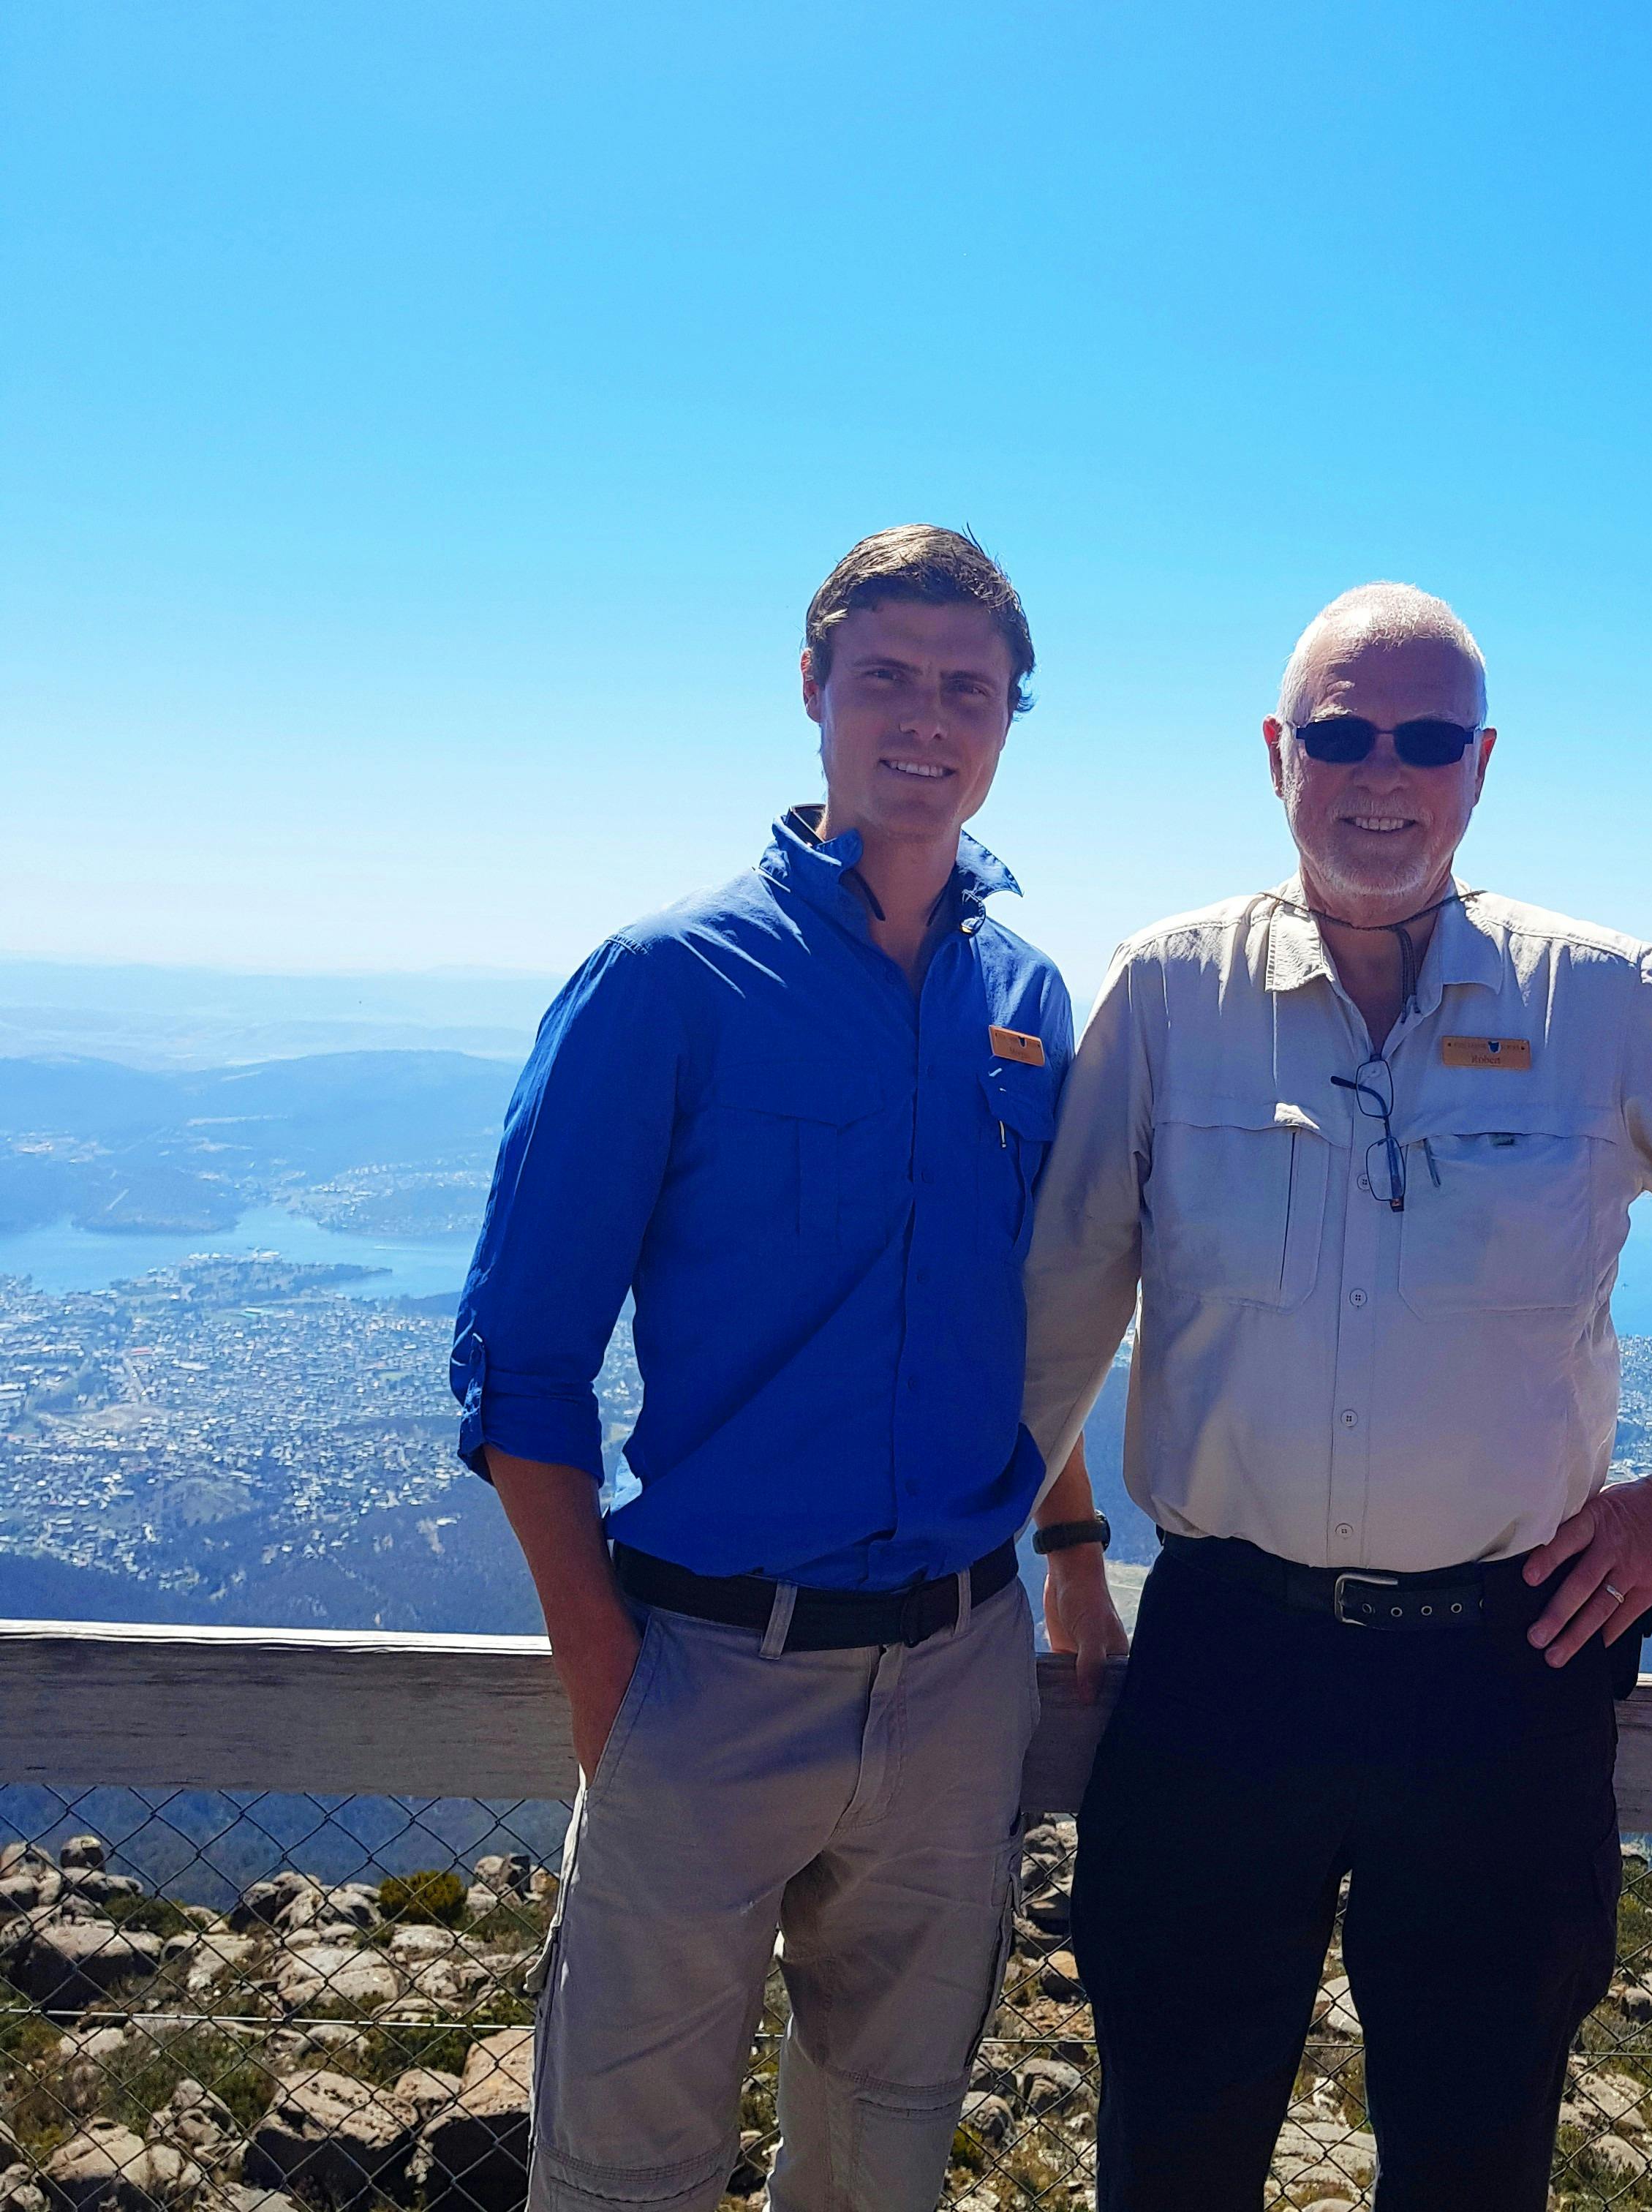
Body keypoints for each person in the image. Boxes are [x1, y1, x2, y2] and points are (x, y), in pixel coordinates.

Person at [1021, 582, 1652, 2211]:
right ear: (1276, 755)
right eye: (1343, 733)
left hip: (1504, 1669)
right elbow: (1057, 1306)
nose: (1386, 771)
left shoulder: (1598, 1000)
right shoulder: (1169, 996)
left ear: (1482, 765)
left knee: (1473, 2150)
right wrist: (1072, 1547)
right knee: (1170, 2137)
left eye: (1428, 738)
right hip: (1228, 1654)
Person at [452, 526, 1124, 2212]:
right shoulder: (668, 981)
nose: (925, 716)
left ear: (1010, 719)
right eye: (885, 674)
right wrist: (606, 1673)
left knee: (882, 2161)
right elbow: (520, 1364)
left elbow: (1026, 1314)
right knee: (621, 2172)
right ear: (813, 690)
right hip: (705, 1665)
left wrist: (1070, 1550)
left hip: (961, 1678)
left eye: (966, 687)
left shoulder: (1027, 997)